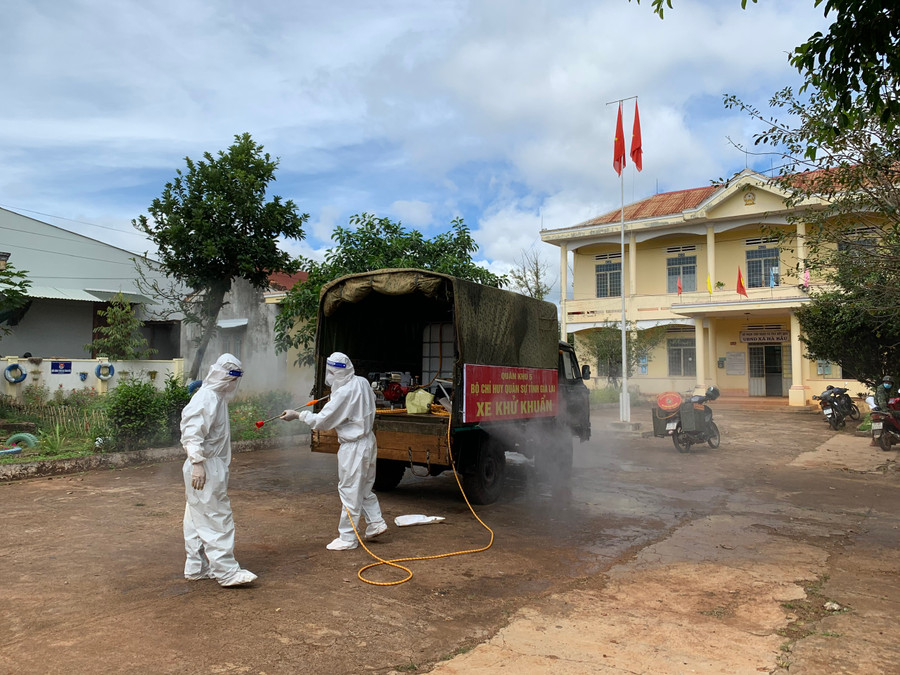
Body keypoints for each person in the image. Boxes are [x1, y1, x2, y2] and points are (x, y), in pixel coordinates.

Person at [281, 352, 388, 550]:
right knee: (363, 486)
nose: (329, 376)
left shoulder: (344, 393)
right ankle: (376, 522)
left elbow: (323, 420)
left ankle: (348, 538)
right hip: (368, 441)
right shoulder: (362, 382)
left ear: (335, 372)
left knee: (349, 490)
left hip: (354, 446)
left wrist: (298, 415)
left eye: (331, 372)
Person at [180, 353, 257, 586]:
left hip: (206, 464)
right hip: (206, 466)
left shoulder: (215, 397)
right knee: (217, 517)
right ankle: (226, 572)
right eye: (234, 380)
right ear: (227, 378)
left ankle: (197, 566)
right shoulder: (207, 398)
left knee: (196, 516)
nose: (235, 385)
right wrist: (198, 464)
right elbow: (192, 432)